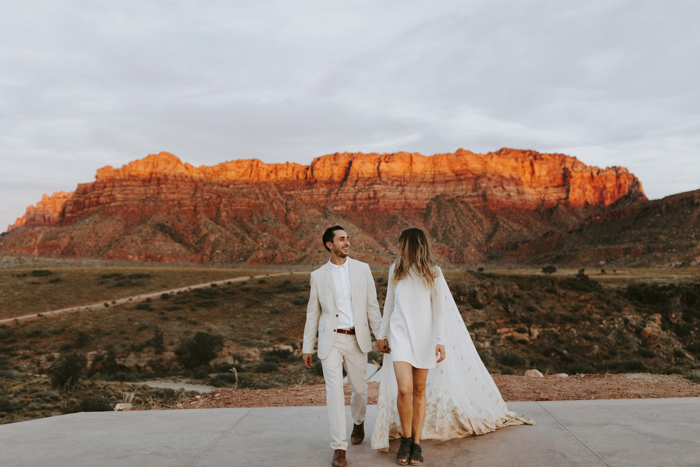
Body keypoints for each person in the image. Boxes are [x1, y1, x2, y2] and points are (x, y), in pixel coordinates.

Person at [372, 227, 534, 465]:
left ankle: (416, 443)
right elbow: (389, 304)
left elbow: (439, 311)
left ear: (413, 245)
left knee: (419, 390)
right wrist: (382, 335)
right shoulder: (395, 269)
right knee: (404, 390)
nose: (399, 248)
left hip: (425, 337)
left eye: (402, 244)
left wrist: (440, 340)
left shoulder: (433, 273)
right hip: (400, 336)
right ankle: (405, 440)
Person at [302, 226, 383, 467]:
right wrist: (308, 346)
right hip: (331, 340)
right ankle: (339, 447)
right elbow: (312, 314)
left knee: (359, 389)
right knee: (334, 392)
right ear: (330, 244)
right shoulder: (318, 275)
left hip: (357, 338)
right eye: (342, 239)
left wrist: (381, 336)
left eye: (348, 238)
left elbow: (372, 307)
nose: (347, 243)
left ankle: (358, 421)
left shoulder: (362, 269)